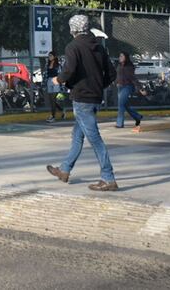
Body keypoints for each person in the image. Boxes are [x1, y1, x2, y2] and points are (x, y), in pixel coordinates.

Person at [47, 15, 117, 191]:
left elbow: (69, 70)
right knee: (77, 136)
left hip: (82, 98)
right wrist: (99, 86)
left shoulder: (73, 46)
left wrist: (58, 80)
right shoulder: (99, 47)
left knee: (95, 139)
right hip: (95, 97)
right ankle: (64, 170)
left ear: (73, 29)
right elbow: (111, 73)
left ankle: (108, 178)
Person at [115, 52, 144, 132]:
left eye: (122, 56)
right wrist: (116, 82)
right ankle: (137, 117)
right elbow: (117, 75)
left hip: (127, 87)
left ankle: (119, 123)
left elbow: (133, 78)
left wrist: (140, 88)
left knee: (121, 104)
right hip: (120, 87)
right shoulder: (119, 65)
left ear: (126, 57)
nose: (120, 57)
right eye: (119, 56)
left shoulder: (129, 66)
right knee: (125, 105)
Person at [43, 52, 65, 123]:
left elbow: (61, 73)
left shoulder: (58, 64)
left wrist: (62, 84)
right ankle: (61, 110)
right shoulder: (47, 64)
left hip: (56, 80)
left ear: (54, 56)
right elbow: (45, 74)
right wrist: (44, 83)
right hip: (49, 80)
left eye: (51, 56)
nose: (49, 57)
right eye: (49, 56)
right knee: (52, 100)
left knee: (53, 99)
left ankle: (53, 116)